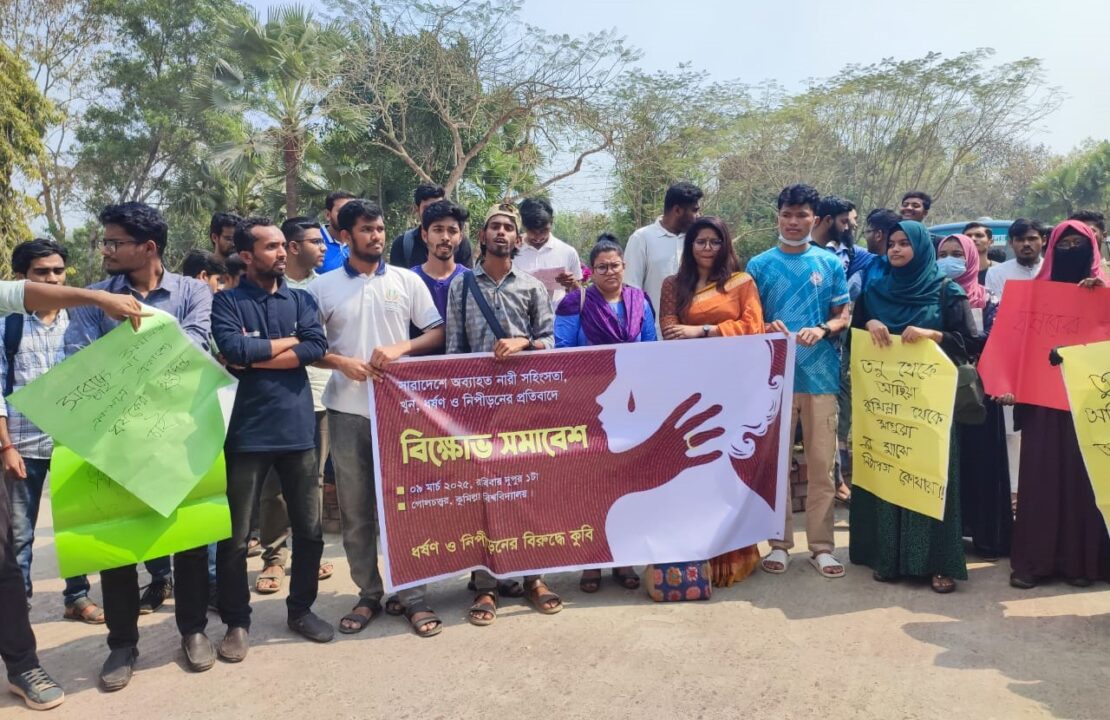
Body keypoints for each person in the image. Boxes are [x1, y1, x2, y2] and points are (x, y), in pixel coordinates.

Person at [64, 202, 214, 689]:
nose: (105, 250)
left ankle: (193, 630)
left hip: (181, 434)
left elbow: (195, 345)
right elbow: (80, 362)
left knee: (191, 541)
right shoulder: (93, 299)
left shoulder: (193, 291)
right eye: (104, 241)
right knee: (117, 548)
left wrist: (126, 360)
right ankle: (122, 644)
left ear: (148, 248)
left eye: (114, 242)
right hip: (117, 439)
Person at [0, 278, 146, 711]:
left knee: (5, 563)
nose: (54, 277)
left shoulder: (50, 312)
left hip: (54, 442)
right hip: (23, 443)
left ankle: (22, 665)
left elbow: (25, 294)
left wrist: (97, 298)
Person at [308, 199, 447, 637]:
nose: (376, 236)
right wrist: (341, 362)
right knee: (356, 510)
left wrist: (402, 348)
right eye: (367, 229)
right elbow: (308, 346)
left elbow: (436, 331)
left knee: (405, 507)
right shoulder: (321, 287)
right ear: (345, 236)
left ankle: (413, 596)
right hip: (346, 410)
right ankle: (368, 593)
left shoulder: (406, 281)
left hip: (399, 412)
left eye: (381, 228)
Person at [211, 217, 333, 659]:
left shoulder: (300, 299)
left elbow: (316, 347)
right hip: (246, 434)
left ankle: (301, 610)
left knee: (310, 530)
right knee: (235, 537)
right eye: (271, 247)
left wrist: (259, 353)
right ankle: (236, 623)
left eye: (283, 245)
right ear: (247, 255)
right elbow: (233, 350)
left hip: (298, 430)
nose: (282, 253)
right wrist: (289, 343)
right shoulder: (227, 302)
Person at [445, 202, 562, 624]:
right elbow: (454, 350)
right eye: (494, 226)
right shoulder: (461, 287)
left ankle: (534, 578)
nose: (501, 232)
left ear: (518, 238)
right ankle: (486, 584)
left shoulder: (531, 287)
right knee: (485, 497)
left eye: (508, 228)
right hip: (477, 408)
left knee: (529, 492)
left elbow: (550, 342)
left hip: (524, 407)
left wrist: (523, 343)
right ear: (482, 236)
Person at [849, 221, 977, 593]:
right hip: (886, 405)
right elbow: (856, 335)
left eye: (905, 243)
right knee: (888, 472)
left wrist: (932, 334)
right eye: (892, 243)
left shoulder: (946, 290)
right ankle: (888, 558)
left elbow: (971, 342)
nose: (896, 249)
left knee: (929, 477)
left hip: (931, 405)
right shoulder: (874, 291)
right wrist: (869, 321)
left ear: (921, 248)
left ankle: (938, 562)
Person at [746, 184, 850, 579]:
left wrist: (823, 329)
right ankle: (779, 543)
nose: (793, 222)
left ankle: (822, 547)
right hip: (773, 379)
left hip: (820, 378)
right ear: (778, 217)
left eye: (801, 215)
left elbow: (843, 315)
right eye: (787, 214)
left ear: (815, 219)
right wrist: (763, 326)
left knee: (822, 467)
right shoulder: (759, 265)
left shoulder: (829, 263)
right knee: (776, 467)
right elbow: (747, 319)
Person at [659, 216, 765, 587]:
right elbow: (670, 331)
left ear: (725, 245)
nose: (707, 248)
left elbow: (754, 327)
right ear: (690, 246)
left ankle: (734, 554)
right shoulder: (673, 285)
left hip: (733, 387)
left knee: (727, 469)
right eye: (700, 241)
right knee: (695, 469)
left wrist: (702, 330)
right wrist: (702, 334)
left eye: (714, 241)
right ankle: (695, 552)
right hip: (690, 389)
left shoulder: (741, 282)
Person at [1, 240, 102, 626]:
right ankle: (18, 607)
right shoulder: (7, 325)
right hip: (23, 445)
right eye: (42, 272)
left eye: (58, 271)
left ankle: (77, 597)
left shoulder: (81, 322)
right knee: (20, 534)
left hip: (72, 444)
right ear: (22, 279)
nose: (53, 279)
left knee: (76, 527)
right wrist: (6, 446)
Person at [1007, 220, 1109, 588]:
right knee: (1042, 478)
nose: (1069, 251)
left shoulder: (1105, 291)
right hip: (1043, 405)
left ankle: (1083, 563)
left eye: (1077, 245)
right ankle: (1037, 562)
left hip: (1088, 404)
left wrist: (1100, 297)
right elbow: (1014, 344)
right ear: (1052, 249)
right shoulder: (1035, 295)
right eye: (1062, 245)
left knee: (1086, 481)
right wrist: (1008, 384)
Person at [555, 236, 656, 592]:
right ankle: (591, 562)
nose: (610, 272)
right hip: (592, 405)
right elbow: (563, 350)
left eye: (615, 265)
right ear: (591, 271)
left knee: (627, 482)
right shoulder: (575, 301)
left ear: (624, 266)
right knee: (592, 484)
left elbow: (651, 348)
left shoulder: (640, 300)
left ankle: (624, 559)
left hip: (632, 405)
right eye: (602, 267)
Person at [248, 218, 335, 597]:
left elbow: (318, 345)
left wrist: (290, 345)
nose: (324, 248)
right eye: (316, 241)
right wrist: (296, 342)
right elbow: (244, 348)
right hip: (272, 400)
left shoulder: (325, 288)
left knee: (312, 483)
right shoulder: (268, 287)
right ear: (295, 247)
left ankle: (309, 556)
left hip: (319, 397)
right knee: (273, 486)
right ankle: (274, 556)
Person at [937, 234, 1011, 558]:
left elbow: (998, 338)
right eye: (943, 254)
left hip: (979, 393)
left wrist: (964, 342)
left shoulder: (989, 298)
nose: (949, 260)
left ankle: (985, 535)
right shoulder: (932, 296)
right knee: (946, 463)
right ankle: (950, 534)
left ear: (969, 257)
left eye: (957, 254)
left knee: (981, 463)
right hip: (938, 391)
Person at [983, 218, 1047, 507]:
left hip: (1047, 362)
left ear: (1042, 240)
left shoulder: (1053, 271)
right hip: (1013, 359)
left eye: (1032, 238)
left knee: (1043, 428)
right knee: (1012, 431)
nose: (1026, 244)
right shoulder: (998, 274)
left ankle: (1040, 491)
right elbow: (997, 321)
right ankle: (1014, 494)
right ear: (1011, 243)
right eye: (1020, 239)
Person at [624, 182, 703, 331]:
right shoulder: (642, 238)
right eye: (694, 210)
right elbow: (632, 290)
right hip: (655, 334)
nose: (698, 216)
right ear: (677, 210)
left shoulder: (698, 239)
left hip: (694, 333)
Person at [513, 197, 582, 308]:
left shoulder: (568, 252)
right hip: (518, 316)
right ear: (523, 225)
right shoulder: (510, 250)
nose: (538, 237)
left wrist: (573, 284)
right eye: (532, 231)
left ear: (552, 222)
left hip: (556, 317)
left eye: (544, 230)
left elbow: (579, 296)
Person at [411, 199, 470, 325]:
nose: (445, 237)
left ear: (460, 237)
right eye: (438, 230)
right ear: (424, 235)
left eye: (452, 231)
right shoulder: (410, 281)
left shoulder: (471, 282)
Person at [389, 183, 473, 269]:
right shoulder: (403, 244)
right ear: (417, 209)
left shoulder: (461, 243)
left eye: (438, 207)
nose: (433, 212)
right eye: (427, 208)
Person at [319, 190, 355, 273]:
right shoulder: (314, 242)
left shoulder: (360, 242)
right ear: (328, 215)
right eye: (342, 211)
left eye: (353, 211)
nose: (348, 215)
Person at [1068, 210, 1109, 278]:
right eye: (1077, 232)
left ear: (1104, 236)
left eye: (1090, 231)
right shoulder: (1060, 274)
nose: (1084, 236)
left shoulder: (1107, 271)